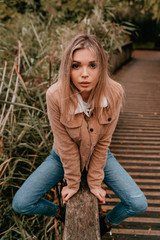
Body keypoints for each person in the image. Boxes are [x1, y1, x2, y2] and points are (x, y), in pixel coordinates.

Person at [12, 34, 148, 236]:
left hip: (98, 154)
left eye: (92, 65)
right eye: (76, 66)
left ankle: (104, 224)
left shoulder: (115, 93)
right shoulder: (55, 95)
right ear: (68, 68)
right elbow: (64, 144)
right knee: (21, 203)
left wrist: (94, 182)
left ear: (101, 67)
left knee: (138, 203)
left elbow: (104, 142)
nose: (85, 74)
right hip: (61, 157)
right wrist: (73, 183)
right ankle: (60, 213)